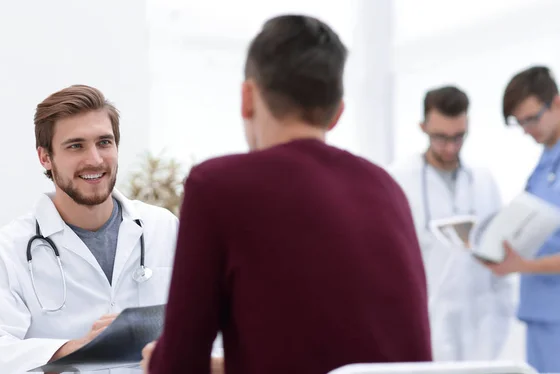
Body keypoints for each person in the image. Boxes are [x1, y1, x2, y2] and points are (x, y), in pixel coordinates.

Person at [142, 14, 432, 374]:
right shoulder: (387, 188)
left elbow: (181, 364)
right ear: (337, 112)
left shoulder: (217, 185)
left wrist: (157, 362)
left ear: (247, 97)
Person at [0, 85, 180, 374]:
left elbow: (205, 320)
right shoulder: (8, 249)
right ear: (45, 158)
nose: (95, 159)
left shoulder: (163, 227)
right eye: (76, 145)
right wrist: (75, 348)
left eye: (104, 142)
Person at [387, 86, 514, 361]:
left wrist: (501, 311)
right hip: (425, 316)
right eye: (441, 137)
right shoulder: (398, 179)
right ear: (423, 127)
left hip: (479, 321)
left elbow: (497, 250)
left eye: (458, 137)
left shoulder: (482, 180)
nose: (450, 147)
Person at [485, 65, 560, 373]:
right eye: (520, 122)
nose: (527, 129)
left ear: (556, 103)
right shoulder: (545, 162)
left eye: (532, 118)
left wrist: (521, 266)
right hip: (542, 312)